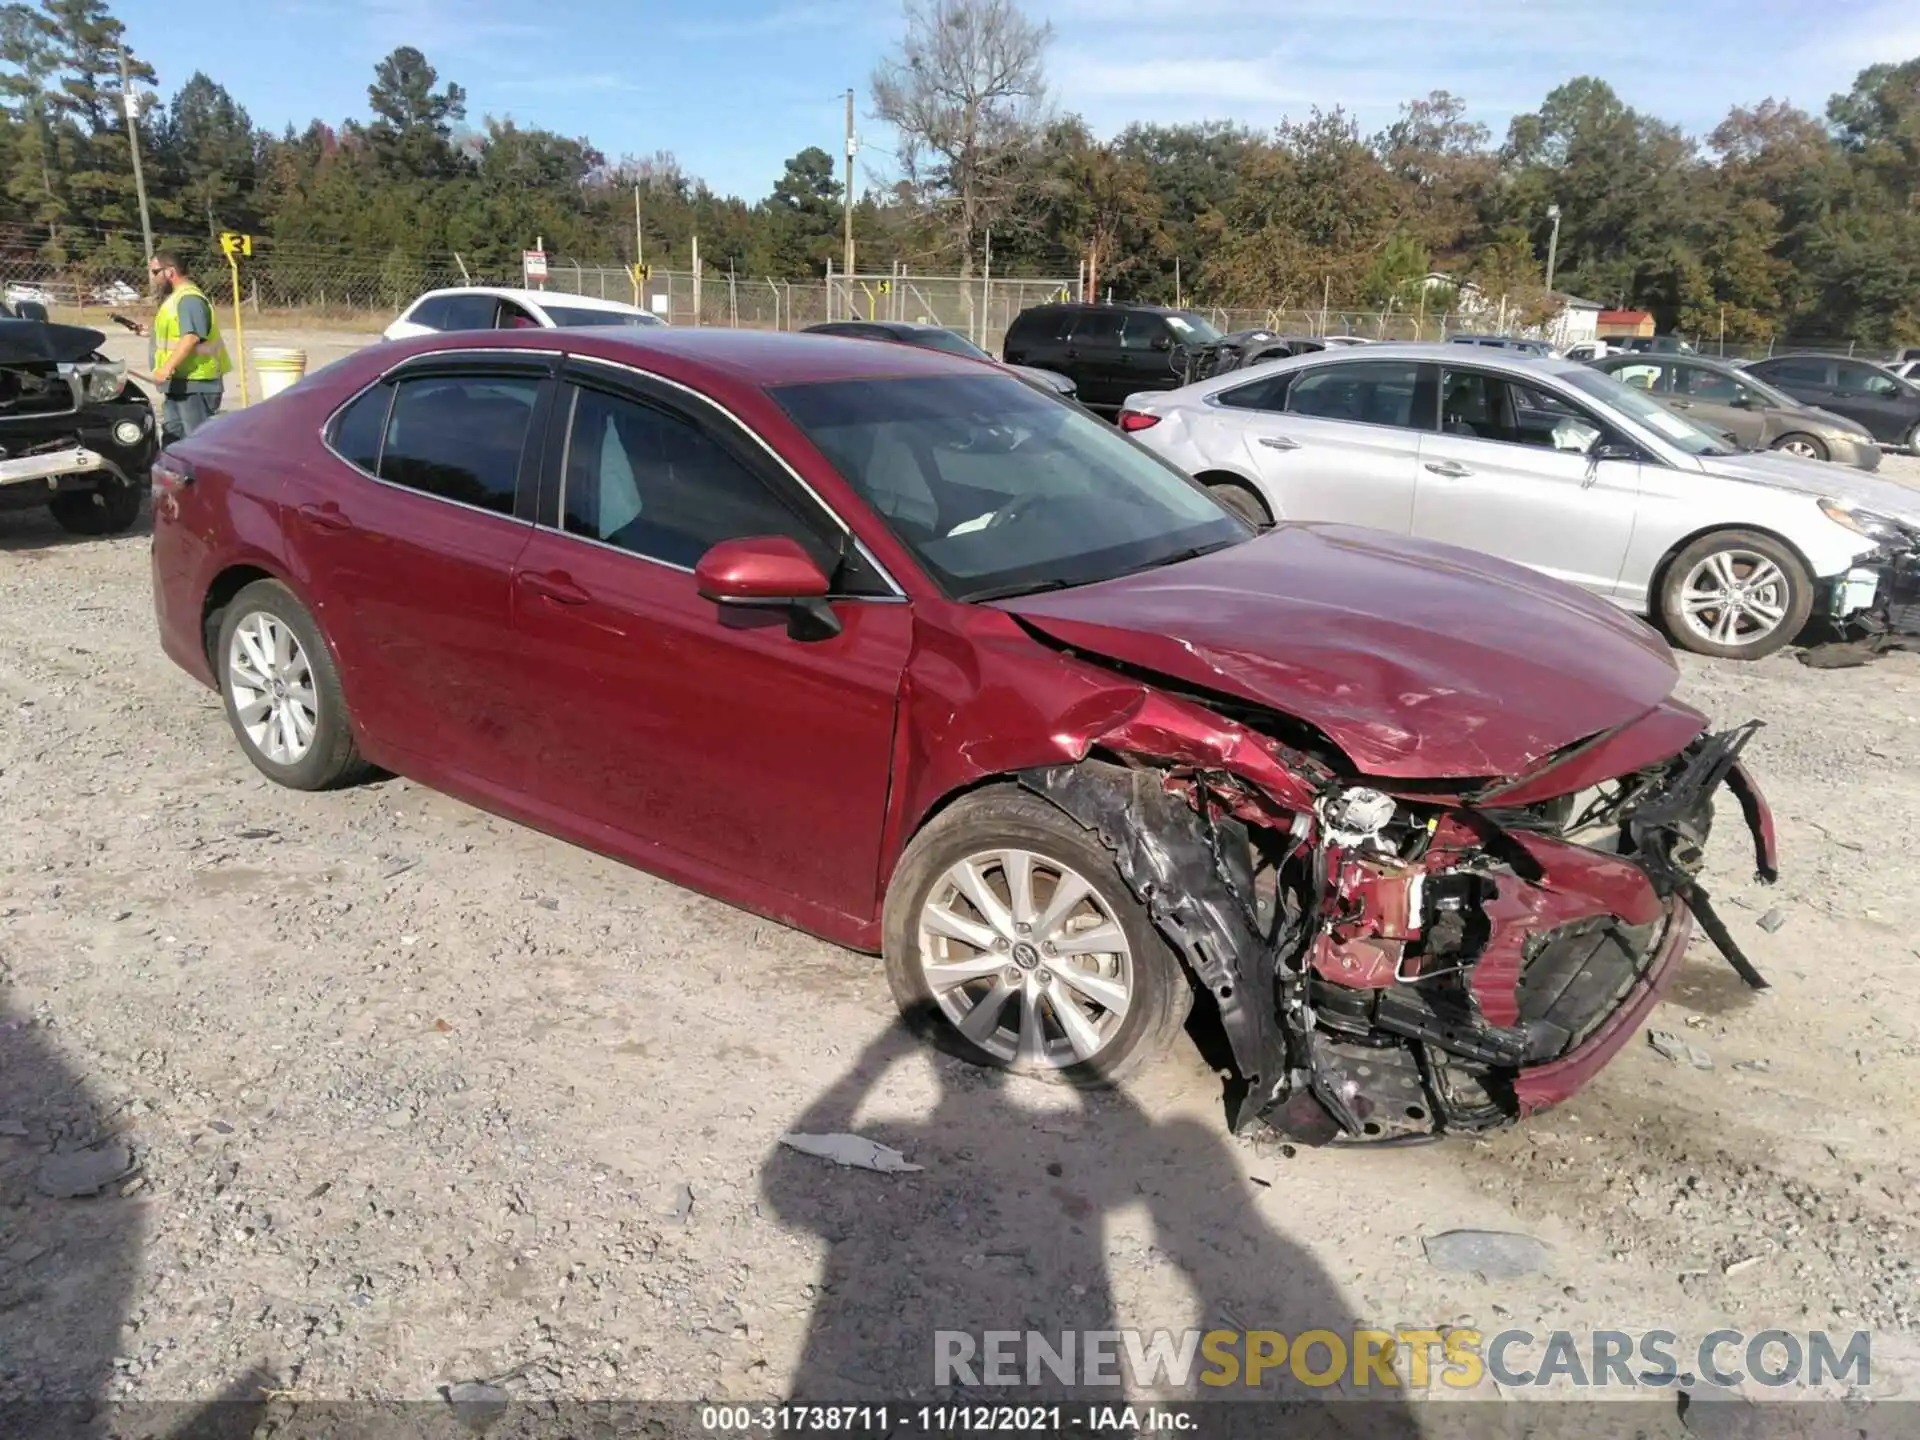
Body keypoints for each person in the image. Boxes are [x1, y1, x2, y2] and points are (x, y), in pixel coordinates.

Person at [130, 251, 232, 442]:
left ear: (170, 272)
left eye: (155, 272)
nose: (153, 278)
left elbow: (191, 337)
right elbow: (177, 334)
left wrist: (166, 368)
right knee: (174, 437)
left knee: (196, 441)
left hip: (196, 383)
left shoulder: (189, 299)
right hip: (179, 383)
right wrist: (150, 333)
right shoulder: (176, 298)